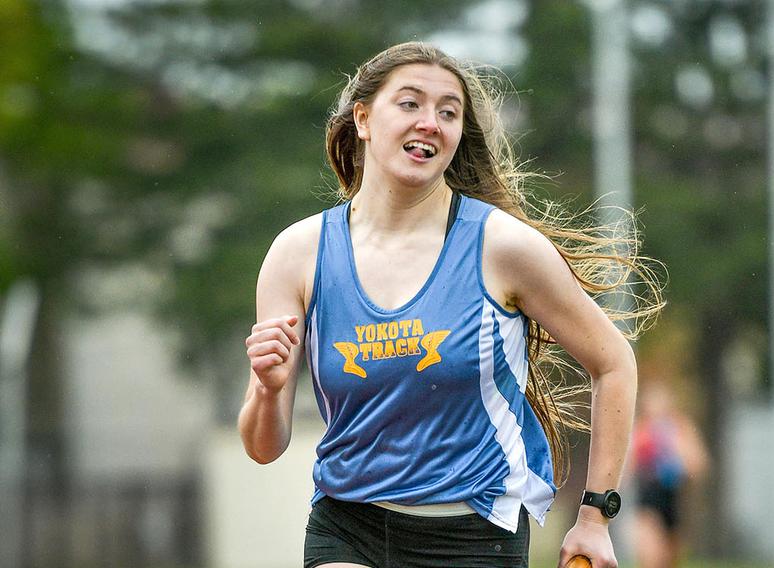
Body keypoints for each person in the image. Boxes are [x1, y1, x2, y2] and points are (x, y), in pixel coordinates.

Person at [238, 41, 663, 568]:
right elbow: (263, 447)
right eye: (410, 104)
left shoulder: (503, 248)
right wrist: (267, 387)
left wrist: (595, 516)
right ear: (364, 119)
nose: (430, 123)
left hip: (475, 535)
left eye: (448, 112)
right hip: (348, 524)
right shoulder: (298, 254)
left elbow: (613, 362)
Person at [631, 381, 709, 568]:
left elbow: (699, 465)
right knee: (651, 558)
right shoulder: (641, 430)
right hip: (648, 501)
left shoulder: (680, 428)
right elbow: (627, 467)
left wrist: (674, 447)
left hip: (675, 500)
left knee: (670, 560)